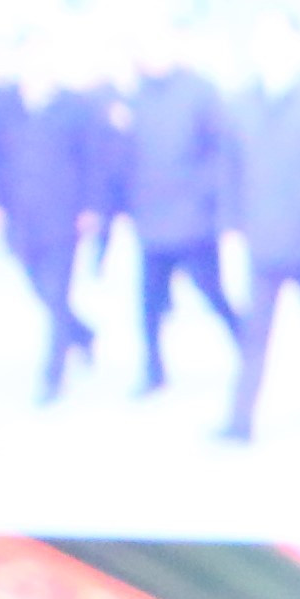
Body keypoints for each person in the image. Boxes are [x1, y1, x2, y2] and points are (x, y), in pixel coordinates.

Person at [219, 27, 300, 437]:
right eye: (265, 43)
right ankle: (240, 419)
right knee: (256, 332)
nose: (272, 52)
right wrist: (233, 222)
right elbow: (229, 167)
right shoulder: (240, 104)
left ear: (297, 49)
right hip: (262, 238)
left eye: (281, 43)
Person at [0, 44, 106, 400]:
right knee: (40, 288)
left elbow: (94, 160)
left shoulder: (75, 107)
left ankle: (51, 377)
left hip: (63, 215)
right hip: (19, 215)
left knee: (57, 292)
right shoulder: (4, 106)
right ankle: (82, 334)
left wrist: (91, 206)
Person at [117, 44, 233, 394]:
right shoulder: (136, 96)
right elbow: (127, 154)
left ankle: (248, 349)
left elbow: (222, 150)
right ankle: (154, 370)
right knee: (149, 304)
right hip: (151, 220)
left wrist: (207, 197)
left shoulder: (199, 91)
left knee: (213, 294)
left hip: (193, 220)